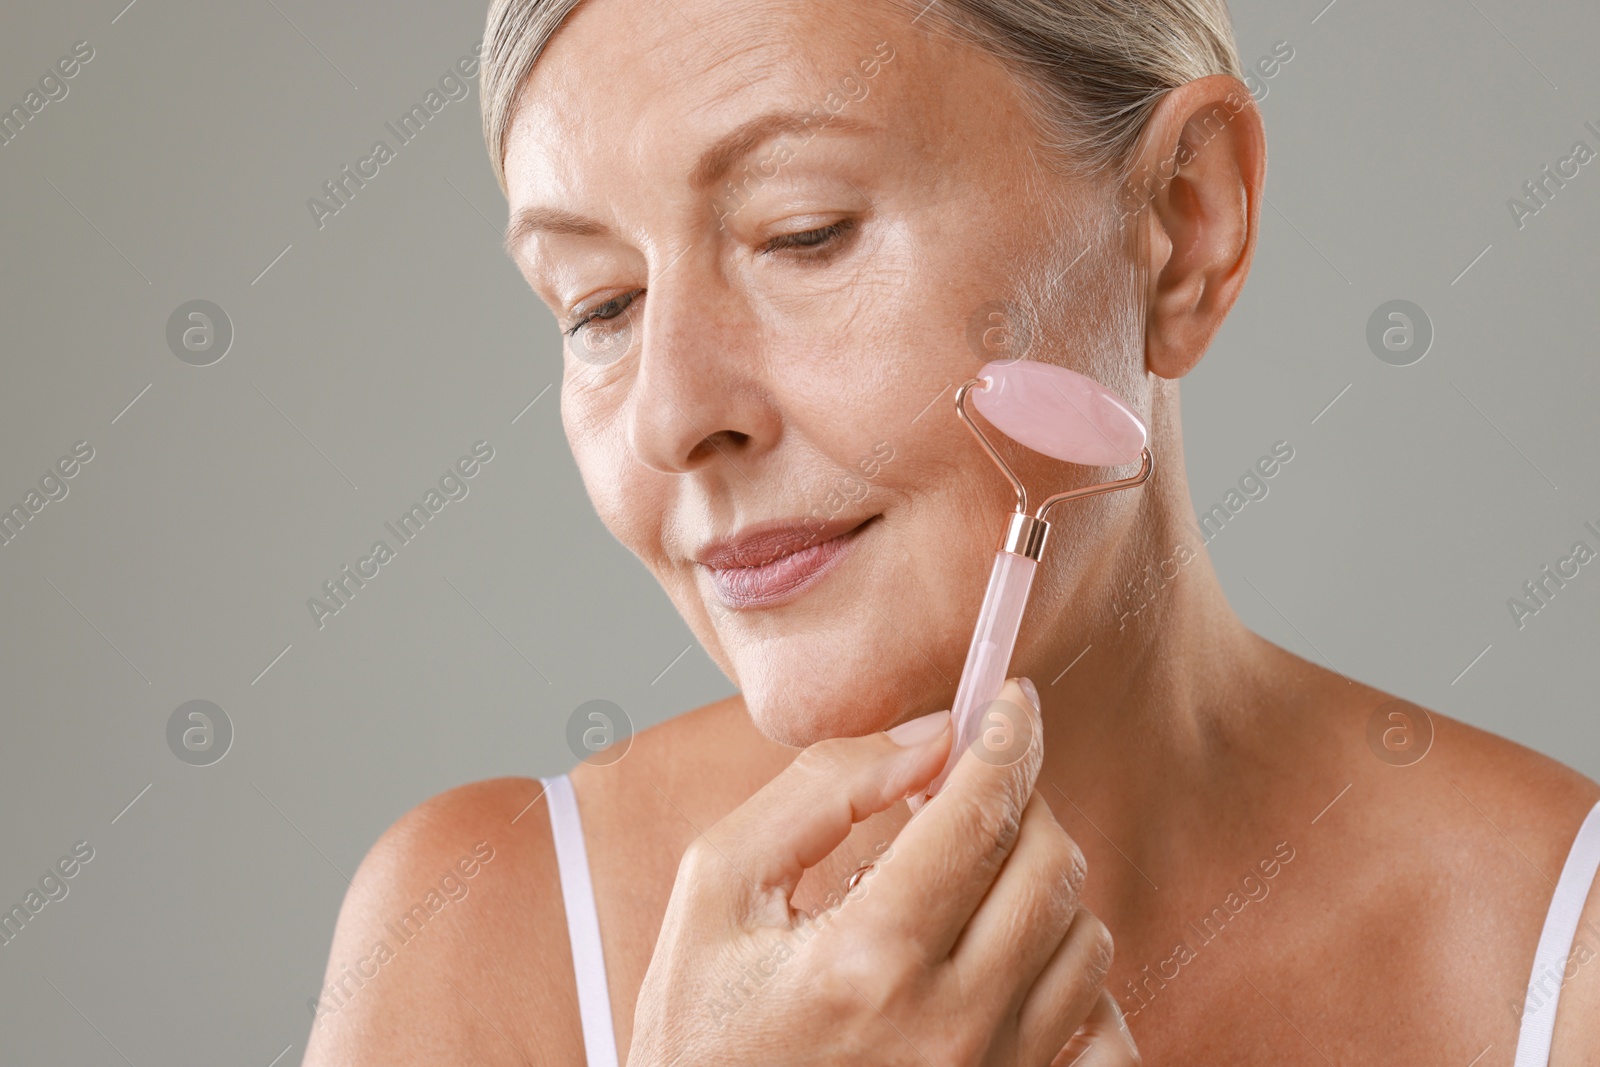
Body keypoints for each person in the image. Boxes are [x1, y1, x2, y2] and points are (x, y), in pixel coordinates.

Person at [303, 0, 1600, 1062]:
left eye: (802, 234)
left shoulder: (1562, 958)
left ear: (1184, 224)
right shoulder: (471, 940)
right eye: (599, 305)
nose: (673, 415)